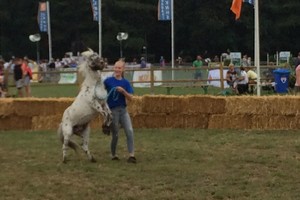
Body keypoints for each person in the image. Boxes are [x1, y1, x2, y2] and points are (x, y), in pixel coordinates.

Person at [104, 60, 136, 163]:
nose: (117, 69)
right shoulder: (108, 81)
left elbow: (131, 97)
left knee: (130, 131)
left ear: (123, 69)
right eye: (116, 67)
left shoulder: (125, 83)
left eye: (119, 68)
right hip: (112, 111)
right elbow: (100, 92)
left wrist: (123, 92)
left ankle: (131, 155)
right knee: (115, 134)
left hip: (123, 110)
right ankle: (113, 154)